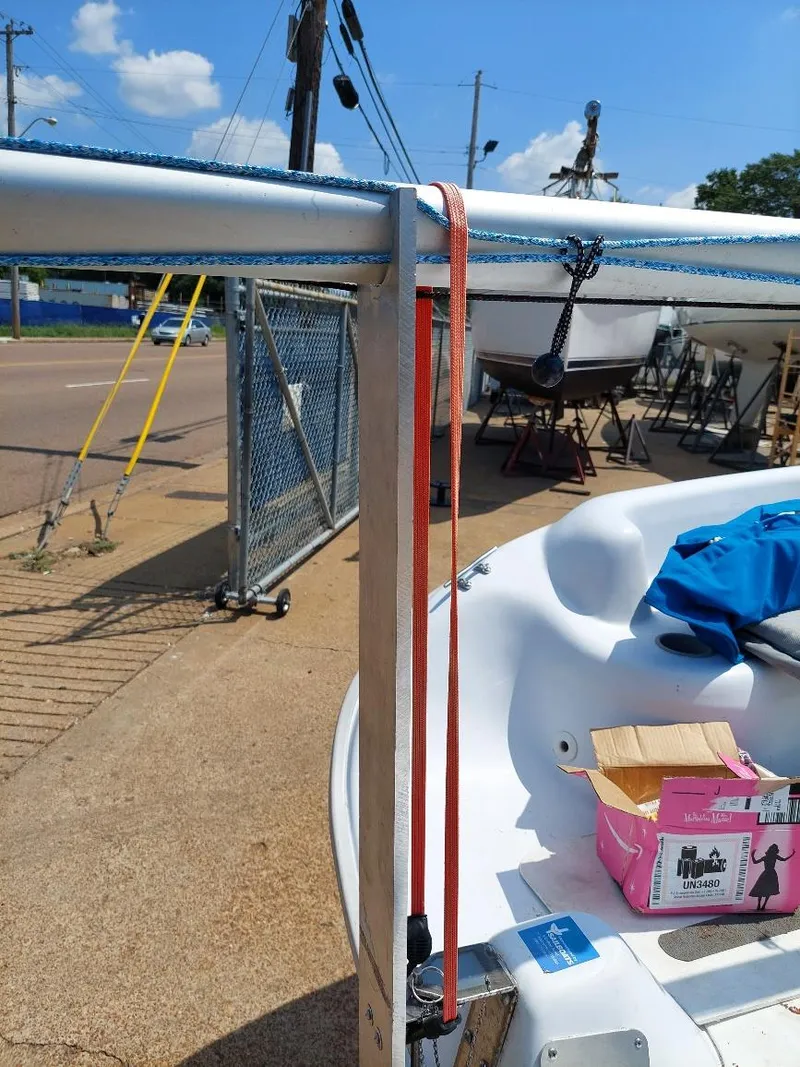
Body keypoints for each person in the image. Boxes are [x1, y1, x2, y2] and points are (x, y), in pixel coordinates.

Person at [749, 843, 796, 911]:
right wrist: (752, 855)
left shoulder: (770, 857)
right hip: (770, 874)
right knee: (765, 889)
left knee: (764, 889)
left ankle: (761, 905)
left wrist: (752, 855)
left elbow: (755, 862)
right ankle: (761, 905)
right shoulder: (772, 857)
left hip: (768, 874)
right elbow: (784, 859)